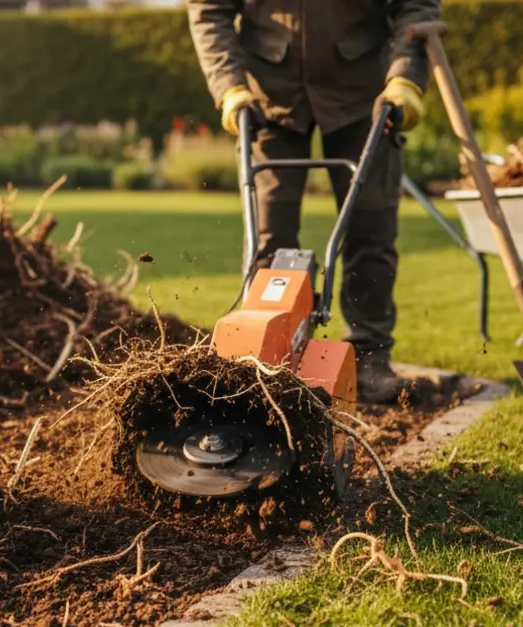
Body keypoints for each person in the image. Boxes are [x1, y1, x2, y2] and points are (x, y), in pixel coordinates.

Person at [186, 0, 441, 404]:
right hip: (268, 97)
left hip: (365, 95)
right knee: (269, 240)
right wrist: (229, 86)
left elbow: (415, 6)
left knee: (370, 230)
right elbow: (209, 9)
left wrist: (405, 76)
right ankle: (265, 368)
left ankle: (369, 361)